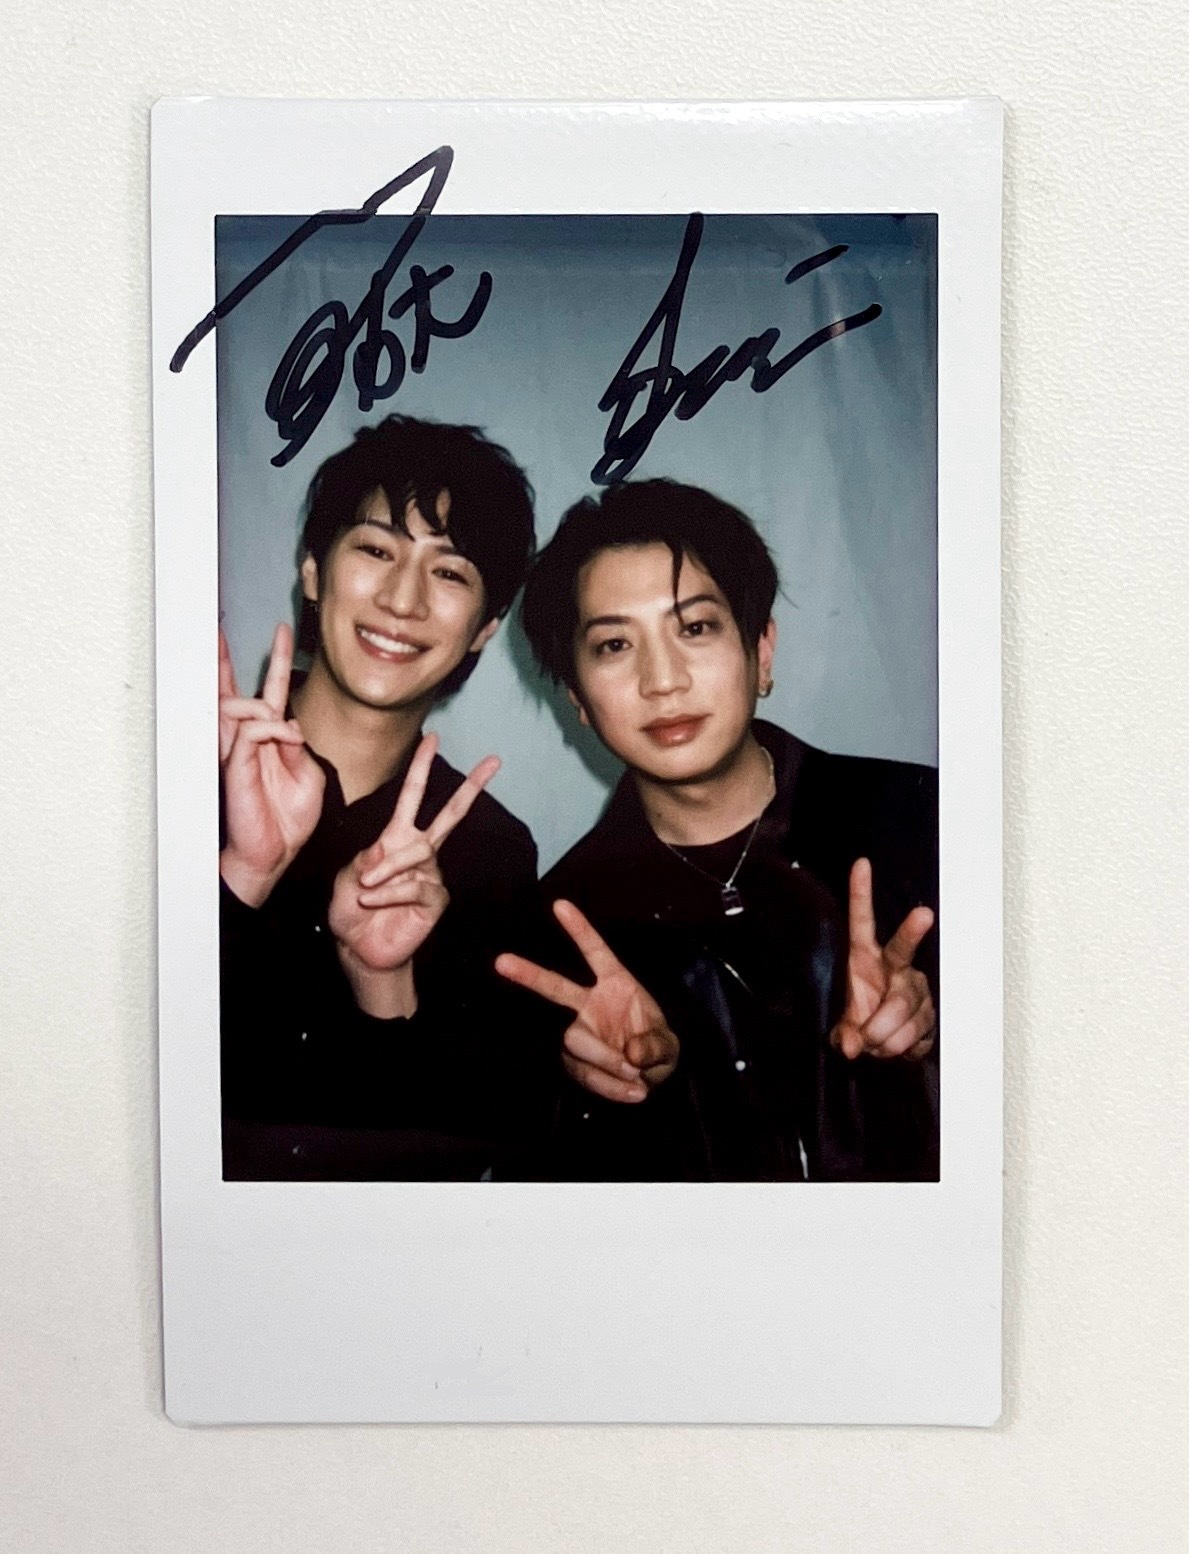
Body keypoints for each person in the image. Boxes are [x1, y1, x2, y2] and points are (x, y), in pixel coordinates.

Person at [497, 478, 939, 1182]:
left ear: (761, 651)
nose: (662, 680)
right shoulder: (559, 931)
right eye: (614, 644)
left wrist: (939, 1027)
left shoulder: (920, 817)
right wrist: (609, 1098)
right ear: (578, 698)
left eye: (695, 628)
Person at [219, 413, 553, 1180]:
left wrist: (383, 985)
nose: (403, 600)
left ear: (484, 627)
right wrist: (241, 877)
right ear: (313, 572)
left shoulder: (490, 852)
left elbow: (452, 1165)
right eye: (375, 550)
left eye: (450, 572)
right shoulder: (178, 762)